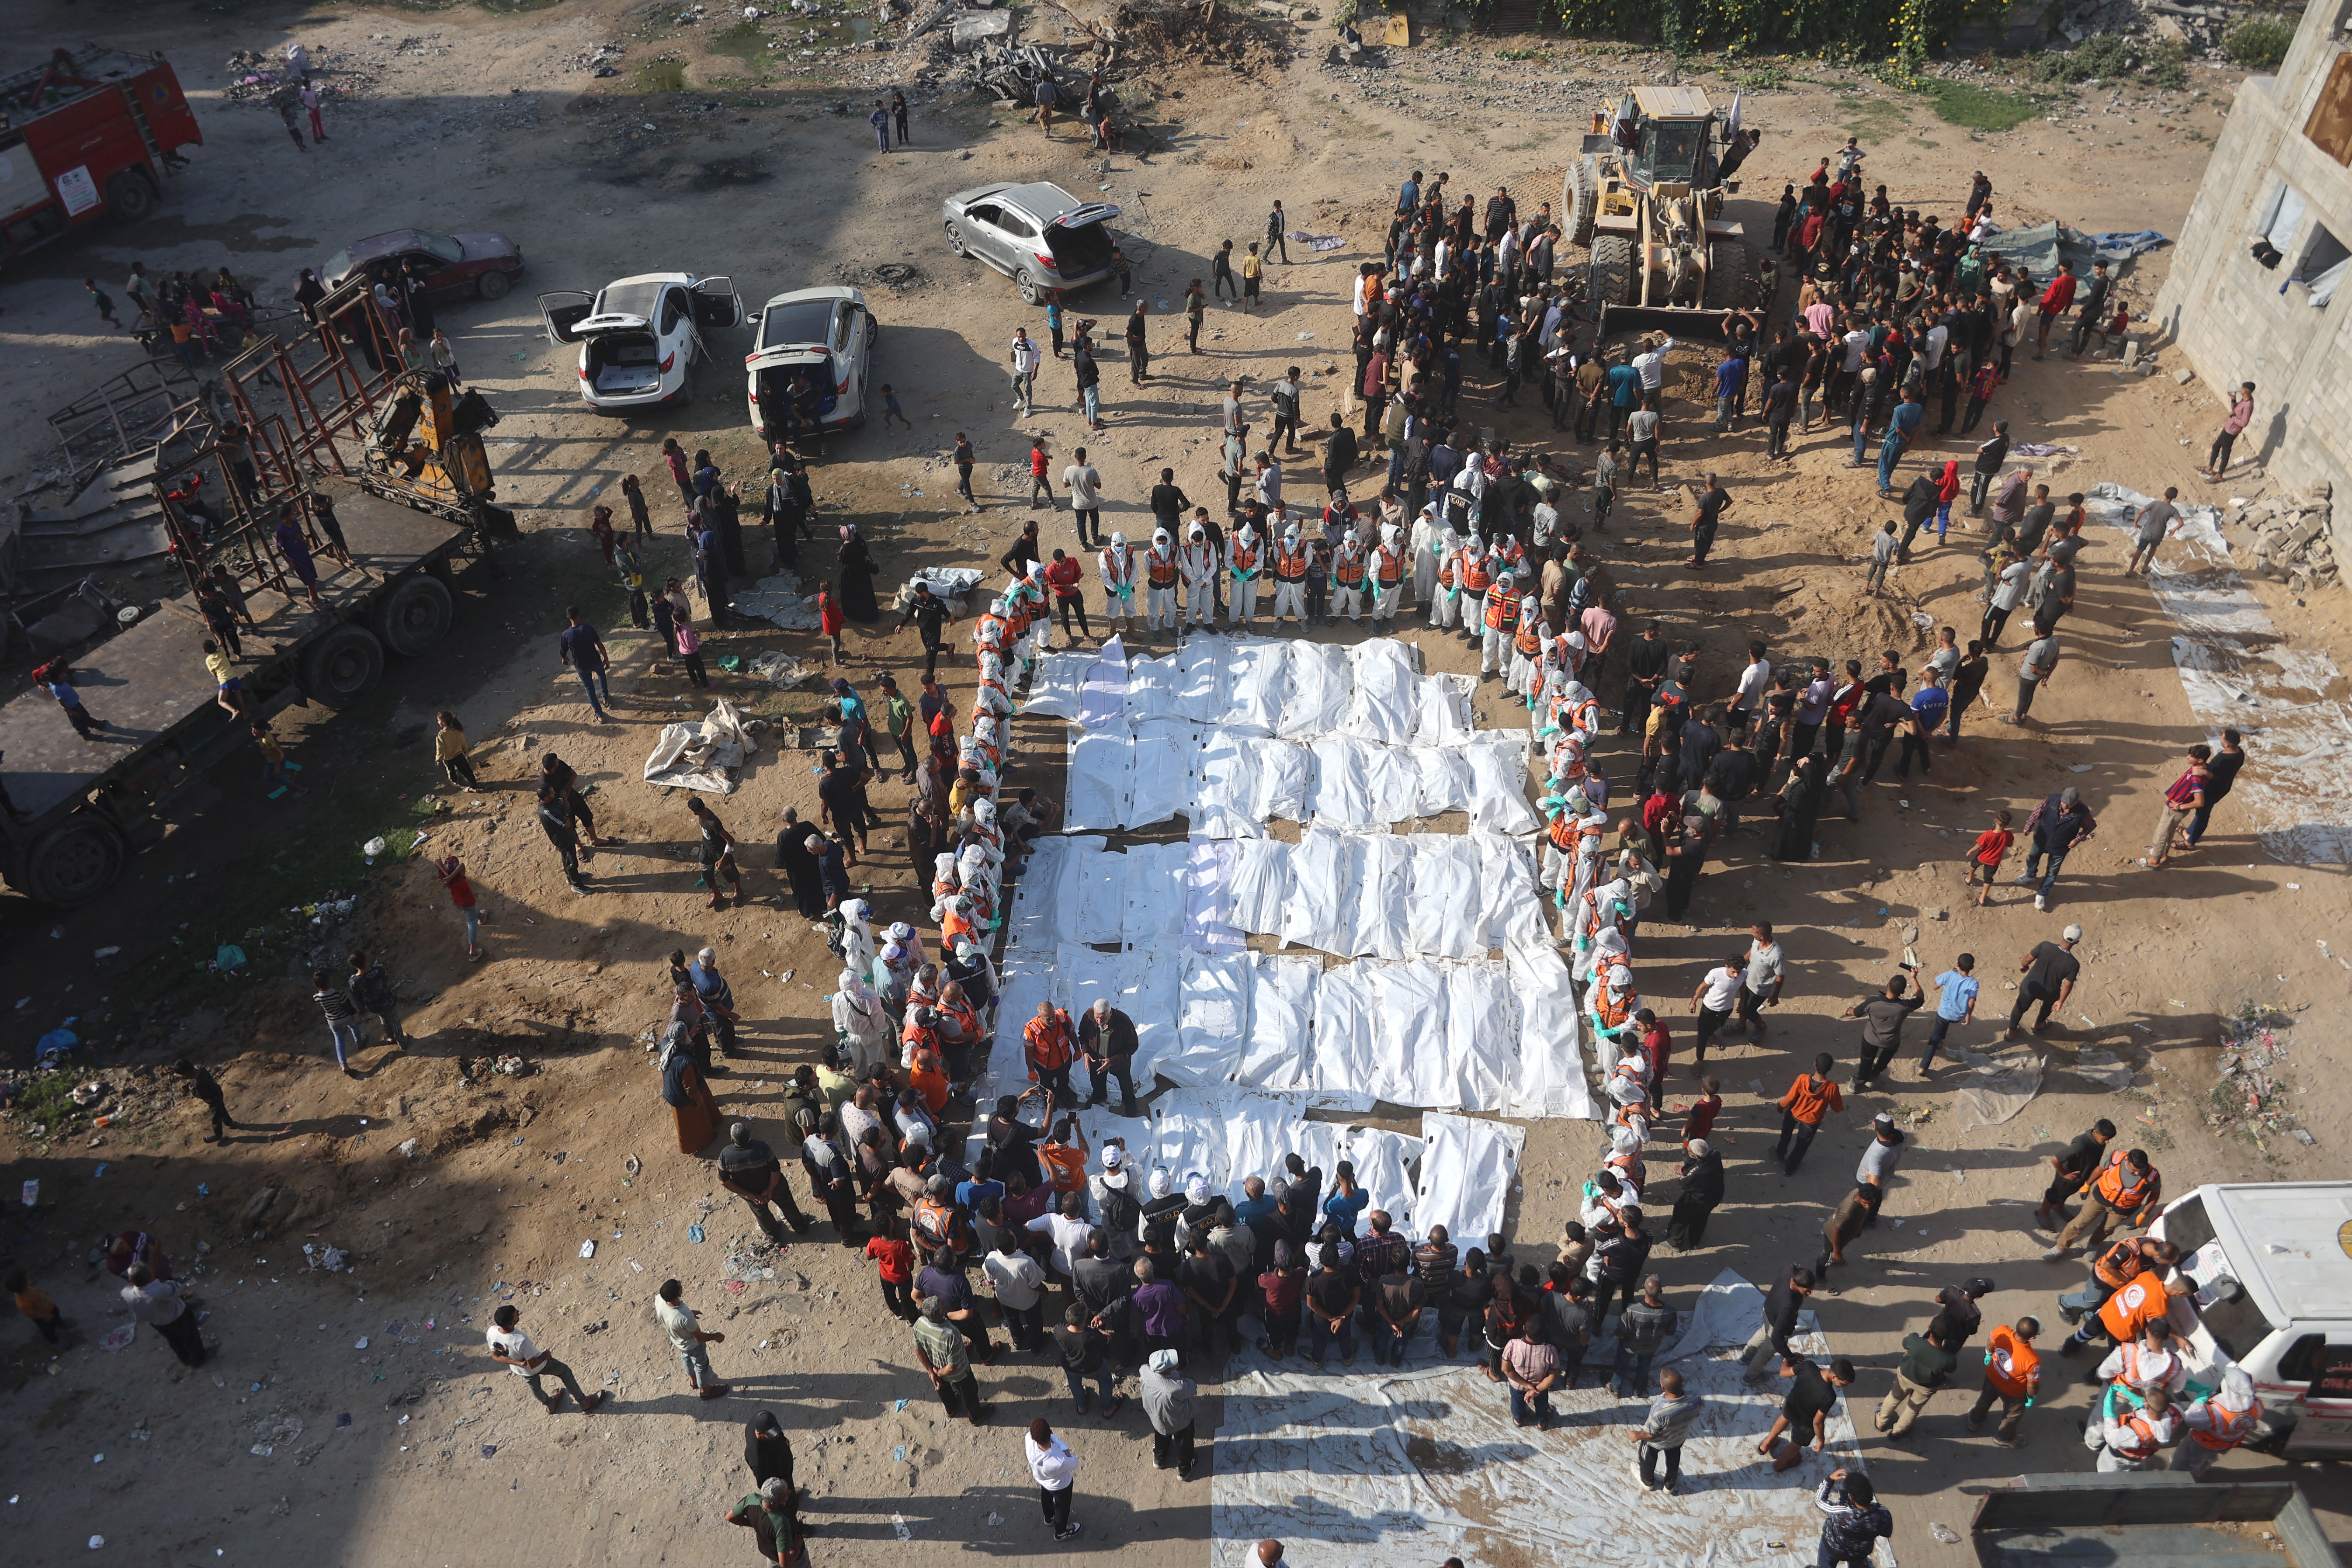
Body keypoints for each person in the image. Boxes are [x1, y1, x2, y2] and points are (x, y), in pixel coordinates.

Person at [2047, 1145, 2161, 1260]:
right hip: (2100, 1197)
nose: (2137, 1174)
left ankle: (2094, 1244)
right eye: (2134, 1170)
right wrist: (2087, 1184)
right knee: (2079, 1223)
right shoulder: (2116, 1158)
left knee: (2107, 1230)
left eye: (2140, 1171)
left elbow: (2155, 1194)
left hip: (2122, 1209)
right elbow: (2100, 1169)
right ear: (2127, 1160)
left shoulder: (2152, 1176)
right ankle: (2060, 1247)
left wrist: (2143, 1214)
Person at [488, 1303, 604, 1413]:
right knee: (564, 1372)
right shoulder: (520, 1340)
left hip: (522, 1370)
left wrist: (518, 1364)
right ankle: (584, 1402)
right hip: (540, 1364)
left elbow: (496, 1356)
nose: (518, 1312)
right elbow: (533, 1365)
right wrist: (545, 1356)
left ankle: (550, 1404)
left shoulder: (492, 1332)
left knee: (535, 1388)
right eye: (516, 1314)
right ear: (510, 1324)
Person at [720, 1121, 814, 1242]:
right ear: (749, 1134)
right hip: (775, 1186)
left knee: (761, 1214)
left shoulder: (725, 1156)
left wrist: (749, 1194)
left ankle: (774, 1236)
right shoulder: (762, 1148)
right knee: (787, 1204)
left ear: (732, 1140)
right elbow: (776, 1172)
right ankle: (800, 1227)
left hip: (751, 1192)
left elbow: (725, 1181)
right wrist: (770, 1190)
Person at [1965, 1316, 2041, 1447]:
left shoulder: (2001, 1331)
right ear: (2032, 1337)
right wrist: (2031, 1396)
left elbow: (1990, 1345)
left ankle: (1975, 1421)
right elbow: (2032, 1385)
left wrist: (1989, 1354)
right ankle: (2004, 1437)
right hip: (2013, 1392)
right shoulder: (2032, 1360)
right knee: (2013, 1414)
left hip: (1992, 1377)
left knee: (1985, 1398)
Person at [1740, 1263, 1815, 1386]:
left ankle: (1746, 1356)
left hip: (1768, 1311)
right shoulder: (1788, 1306)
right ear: (1794, 1284)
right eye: (1806, 1291)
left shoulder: (1789, 1269)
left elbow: (1792, 1265)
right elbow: (1776, 1339)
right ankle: (1750, 1377)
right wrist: (1790, 1357)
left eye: (1811, 1290)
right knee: (1765, 1353)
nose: (1810, 1294)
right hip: (1777, 1324)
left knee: (1763, 1332)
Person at [655, 1278, 731, 1400]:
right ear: (679, 1294)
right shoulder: (686, 1318)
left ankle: (693, 1380)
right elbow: (699, 1337)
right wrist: (715, 1336)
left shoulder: (659, 1300)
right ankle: (705, 1391)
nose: (681, 1284)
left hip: (678, 1342)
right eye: (680, 1286)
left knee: (686, 1358)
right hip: (693, 1346)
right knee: (701, 1366)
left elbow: (674, 1315)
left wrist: (689, 1314)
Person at [1845, 971, 1922, 1090]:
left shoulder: (1873, 1002)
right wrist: (1914, 978)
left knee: (1866, 1060)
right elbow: (1920, 998)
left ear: (1887, 985)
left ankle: (1857, 1082)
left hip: (1870, 1039)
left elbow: (1857, 1013)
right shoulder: (1905, 1006)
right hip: (1891, 1041)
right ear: (1902, 992)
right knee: (1884, 1060)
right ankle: (1873, 1077)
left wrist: (1850, 1010)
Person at [2005, 925, 2083, 1041]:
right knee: (2049, 1005)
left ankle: (2011, 1032)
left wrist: (2024, 966)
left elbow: (2028, 959)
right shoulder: (2073, 964)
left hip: (2031, 986)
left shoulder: (2045, 946)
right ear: (2077, 943)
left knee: (2020, 1007)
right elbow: (2068, 984)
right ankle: (2039, 1024)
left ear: (2062, 935)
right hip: (2050, 992)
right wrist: (2060, 1001)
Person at [1631, 1367, 1702, 1495]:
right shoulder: (1696, 1398)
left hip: (1656, 1443)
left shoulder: (1660, 1410)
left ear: (1663, 1388)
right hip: (1678, 1439)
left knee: (1647, 1459)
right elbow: (1696, 1415)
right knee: (1673, 1460)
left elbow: (1649, 1434)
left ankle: (1648, 1482)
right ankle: (1669, 1485)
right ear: (1682, 1382)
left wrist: (1636, 1435)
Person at [121, 1262, 205, 1366]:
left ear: (131, 1281)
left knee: (174, 1340)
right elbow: (178, 1288)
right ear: (152, 1276)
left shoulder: (126, 1293)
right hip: (178, 1317)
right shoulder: (162, 1290)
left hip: (158, 1323)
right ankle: (199, 1360)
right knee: (191, 1337)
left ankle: (185, 1359)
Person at [1773, 1056, 1842, 1176]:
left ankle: (1780, 1154)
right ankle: (1790, 1168)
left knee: (1786, 1135)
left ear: (1815, 1064)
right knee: (1802, 1145)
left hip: (1794, 1112)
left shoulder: (1802, 1079)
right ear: (1830, 1069)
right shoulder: (1832, 1088)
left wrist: (1780, 1106)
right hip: (1811, 1121)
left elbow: (1790, 1097)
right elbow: (1837, 1108)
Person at [1140, 1347, 1200, 1480]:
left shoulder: (1144, 1371)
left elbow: (1145, 1370)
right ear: (1166, 1372)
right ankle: (1185, 1470)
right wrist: (1181, 1375)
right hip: (1180, 1422)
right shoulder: (1177, 1387)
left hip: (1156, 1417)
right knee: (1184, 1443)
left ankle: (1159, 1460)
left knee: (1161, 1435)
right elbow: (1193, 1387)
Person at [1612, 1275, 1676, 1398]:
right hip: (1651, 1347)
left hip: (1630, 1346)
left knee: (1621, 1364)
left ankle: (1615, 1388)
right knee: (1644, 1366)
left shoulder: (1632, 1311)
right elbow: (1670, 1333)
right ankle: (1638, 1388)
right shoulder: (1670, 1311)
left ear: (1643, 1287)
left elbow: (1622, 1332)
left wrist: (1617, 1333)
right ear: (1660, 1291)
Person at [1814, 1470, 1894, 1568]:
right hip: (1860, 1552)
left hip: (1833, 1547)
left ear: (1852, 1498)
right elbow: (1887, 1533)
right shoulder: (1883, 1514)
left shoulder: (1841, 1513)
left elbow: (1819, 1501)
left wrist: (1829, 1479)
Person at [1077, 997, 1139, 1114]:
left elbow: (1133, 1045)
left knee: (1125, 1083)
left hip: (1119, 1062)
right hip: (1096, 1059)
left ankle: (1130, 1102)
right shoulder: (1088, 1016)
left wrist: (1112, 1061)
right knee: (1097, 1081)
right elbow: (1082, 1035)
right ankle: (1099, 1096)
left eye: (1103, 1018)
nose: (1100, 1021)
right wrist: (1085, 1052)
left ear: (1110, 1013)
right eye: (1097, 1017)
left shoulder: (1124, 1021)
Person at [725, 1477, 804, 1566]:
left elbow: (730, 1517)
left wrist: (755, 1524)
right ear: (774, 1503)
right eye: (786, 1495)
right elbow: (785, 1564)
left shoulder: (751, 1499)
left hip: (769, 1553)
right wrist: (797, 1550)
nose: (790, 1492)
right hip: (789, 1559)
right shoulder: (781, 1523)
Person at [1025, 1417, 1082, 1540]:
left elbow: (1030, 1435)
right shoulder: (1060, 1461)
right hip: (1061, 1486)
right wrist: (1062, 1445)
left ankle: (1049, 1518)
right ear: (1050, 1432)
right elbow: (1074, 1462)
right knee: (1062, 1507)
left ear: (1034, 1438)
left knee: (1046, 1497)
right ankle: (1061, 1533)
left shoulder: (1029, 1440)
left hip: (1043, 1481)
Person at [1502, 1320, 1562, 1428]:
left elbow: (1506, 1369)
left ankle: (1518, 1421)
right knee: (1542, 1404)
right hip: (1540, 1386)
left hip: (1517, 1386)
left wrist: (1526, 1385)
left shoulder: (1512, 1345)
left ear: (1524, 1328)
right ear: (1543, 1333)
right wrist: (1535, 1390)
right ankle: (1541, 1423)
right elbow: (1553, 1376)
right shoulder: (1550, 1350)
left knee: (1517, 1403)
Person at [2198, 382, 2256, 480]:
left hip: (2231, 432)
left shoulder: (2248, 405)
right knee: (2216, 446)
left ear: (2245, 391)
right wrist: (2233, 400)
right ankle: (2210, 468)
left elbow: (2244, 423)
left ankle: (2219, 475)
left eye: (2242, 388)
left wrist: (2233, 417)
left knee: (2225, 452)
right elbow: (2236, 410)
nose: (2240, 389)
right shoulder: (2245, 400)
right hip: (2228, 428)